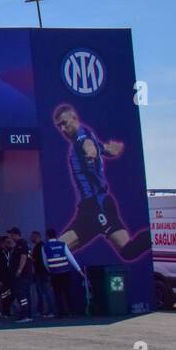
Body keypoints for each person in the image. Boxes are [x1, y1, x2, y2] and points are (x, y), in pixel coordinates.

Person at [52, 104, 151, 260]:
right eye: (59, 126)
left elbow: (88, 145)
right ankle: (154, 235)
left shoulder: (81, 137)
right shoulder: (88, 136)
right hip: (100, 204)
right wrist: (109, 149)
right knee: (128, 251)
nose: (63, 129)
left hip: (95, 207)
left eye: (65, 123)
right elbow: (107, 149)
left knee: (55, 251)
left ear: (74, 118)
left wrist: (90, 152)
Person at [43, 228, 85, 316]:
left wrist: (50, 270)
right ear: (56, 235)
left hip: (54, 273)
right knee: (68, 292)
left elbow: (45, 262)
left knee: (57, 293)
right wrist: (79, 270)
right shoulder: (62, 244)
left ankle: (61, 313)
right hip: (65, 272)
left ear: (47, 236)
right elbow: (71, 258)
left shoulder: (45, 247)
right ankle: (72, 312)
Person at [7, 227, 33, 322]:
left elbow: (24, 257)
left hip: (22, 275)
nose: (10, 236)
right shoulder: (19, 244)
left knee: (21, 294)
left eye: (11, 234)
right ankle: (28, 315)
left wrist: (19, 270)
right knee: (25, 294)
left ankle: (24, 315)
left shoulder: (22, 243)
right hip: (24, 274)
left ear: (16, 234)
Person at [29, 231, 54, 319]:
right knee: (41, 292)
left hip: (42, 273)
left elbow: (41, 261)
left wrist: (31, 258)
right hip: (39, 273)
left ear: (37, 237)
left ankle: (50, 311)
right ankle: (42, 310)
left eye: (32, 237)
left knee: (46, 292)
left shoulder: (40, 246)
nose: (31, 238)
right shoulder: (38, 246)